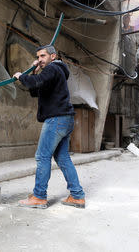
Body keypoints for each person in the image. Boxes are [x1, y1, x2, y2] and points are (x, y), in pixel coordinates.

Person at [13, 45, 85, 209]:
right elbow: (35, 89)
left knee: (42, 156)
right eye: (38, 57)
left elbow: (35, 82)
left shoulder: (53, 68)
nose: (39, 60)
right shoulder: (54, 73)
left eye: (42, 56)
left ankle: (39, 196)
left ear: (53, 56)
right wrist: (34, 71)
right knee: (62, 158)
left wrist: (21, 76)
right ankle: (77, 195)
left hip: (56, 119)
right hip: (65, 119)